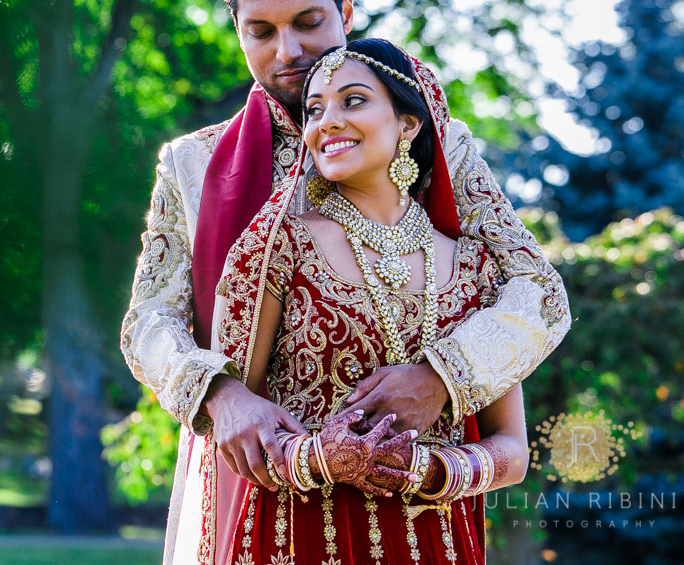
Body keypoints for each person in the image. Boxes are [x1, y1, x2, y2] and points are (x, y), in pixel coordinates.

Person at [119, 0, 570, 564]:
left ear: (347, 10)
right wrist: (223, 396)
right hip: (259, 494)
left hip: (418, 502)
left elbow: (536, 290)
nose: (288, 52)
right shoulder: (194, 165)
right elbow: (149, 323)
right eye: (260, 32)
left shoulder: (434, 139)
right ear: (238, 33)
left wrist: (442, 376)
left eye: (308, 23)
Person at [207, 39, 530, 564]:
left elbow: (513, 451)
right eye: (315, 109)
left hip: (433, 536)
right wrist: (321, 459)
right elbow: (235, 431)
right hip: (300, 531)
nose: (326, 122)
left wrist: (435, 471)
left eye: (353, 100)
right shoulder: (275, 245)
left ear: (408, 124)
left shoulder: (476, 268)